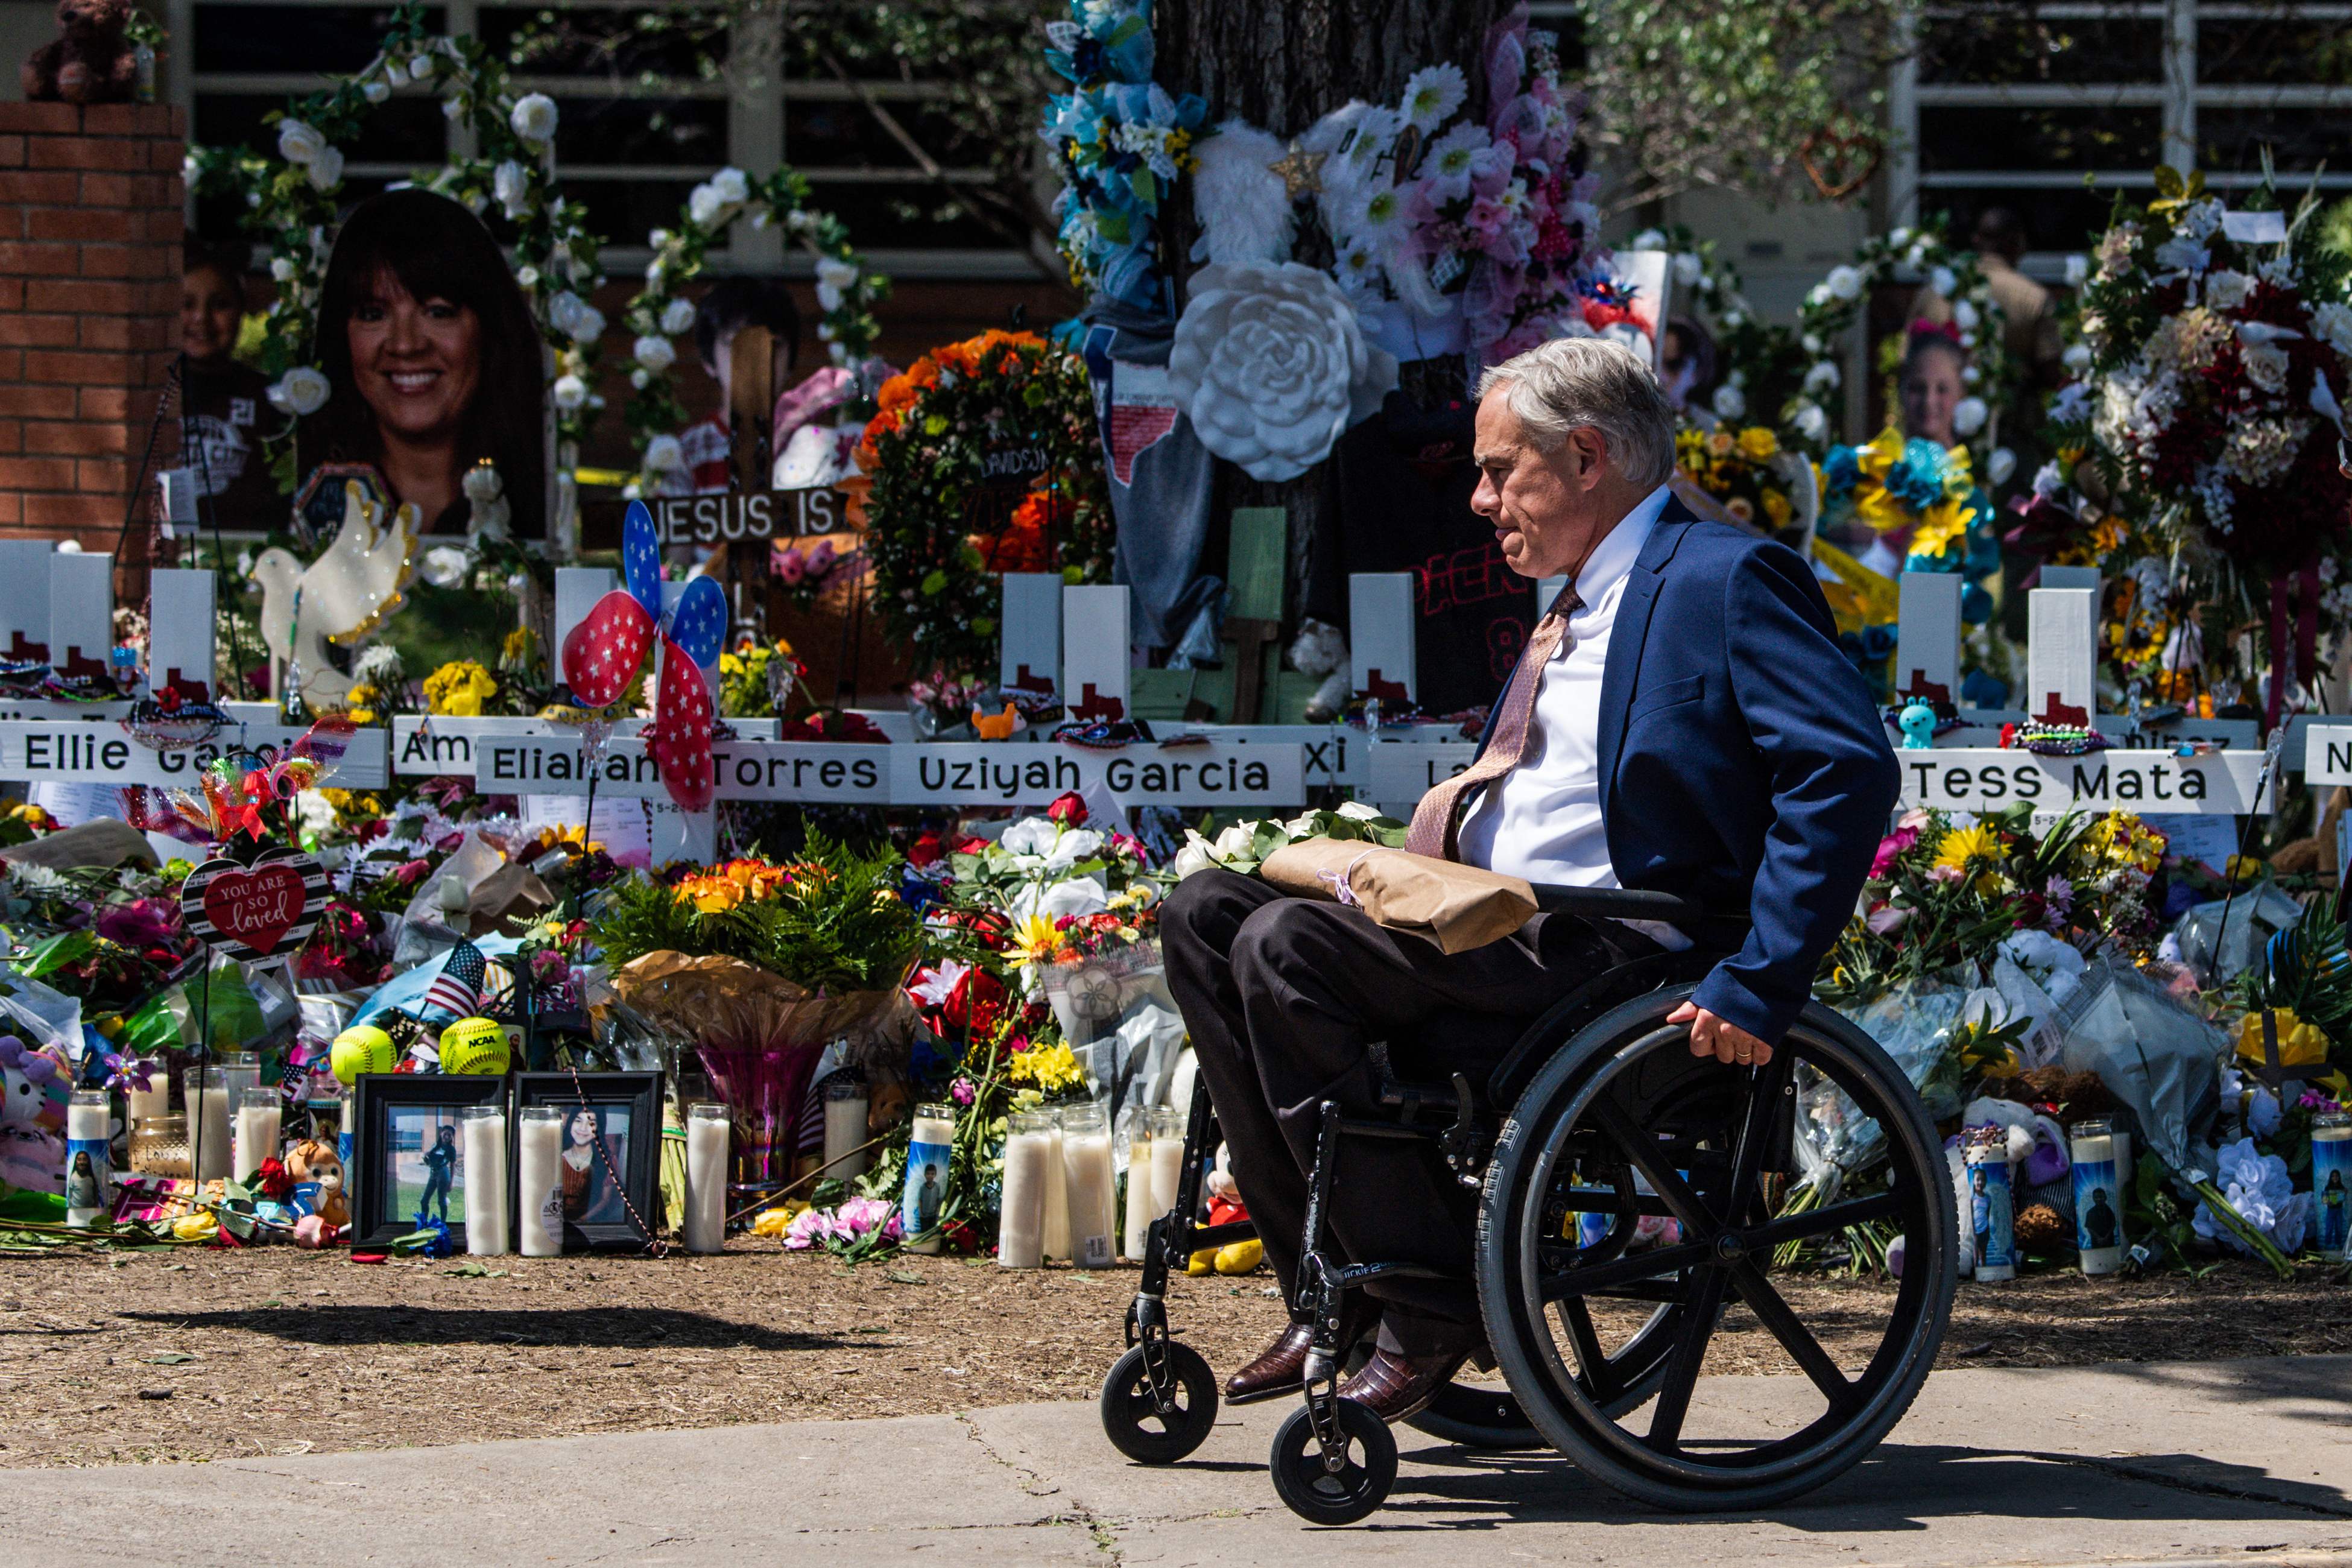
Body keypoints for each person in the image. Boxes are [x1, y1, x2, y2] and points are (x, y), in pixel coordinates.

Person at [1163, 337, 1898, 1424]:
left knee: (1288, 946)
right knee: (1207, 913)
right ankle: (1332, 1292)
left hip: (1617, 959)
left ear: (1589, 456)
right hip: (1501, 934)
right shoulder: (1574, 604)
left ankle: (1425, 1299)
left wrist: (1763, 977)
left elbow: (1845, 767)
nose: (1478, 497)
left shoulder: (1723, 578)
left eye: (1501, 469)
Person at [302, 188, 546, 536]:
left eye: (437, 312)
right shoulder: (301, 502)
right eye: (374, 314)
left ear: (489, 329)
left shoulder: (552, 505)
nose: (406, 345)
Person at [179, 237, 285, 531]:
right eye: (187, 305)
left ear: (242, 310)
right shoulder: (152, 396)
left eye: (220, 305)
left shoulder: (270, 399)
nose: (202, 318)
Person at [1911, 206, 2067, 395]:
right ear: (2016, 243)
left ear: (1976, 239)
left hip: (1940, 412)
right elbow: (2051, 370)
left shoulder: (1933, 292)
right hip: (2011, 414)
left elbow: (1908, 358)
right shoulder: (2035, 298)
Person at [671, 279, 801, 496]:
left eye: (774, 346)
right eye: (735, 344)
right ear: (709, 361)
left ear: (790, 361)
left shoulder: (813, 447)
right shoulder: (686, 454)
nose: (755, 360)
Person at [561, 1105, 625, 1224]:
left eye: (591, 1124)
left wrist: (582, 1220)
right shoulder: (558, 1155)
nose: (583, 1128)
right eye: (578, 1121)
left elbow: (605, 1200)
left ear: (599, 1128)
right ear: (571, 1123)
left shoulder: (608, 1160)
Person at [419, 1122, 457, 1224]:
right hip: (433, 1174)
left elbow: (453, 1166)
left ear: (452, 1137)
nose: (447, 1137)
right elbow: (429, 1162)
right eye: (446, 1134)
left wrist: (451, 1183)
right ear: (441, 1133)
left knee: (441, 1201)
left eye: (450, 1135)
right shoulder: (436, 1145)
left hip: (443, 1175)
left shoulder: (451, 1149)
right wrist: (426, 1156)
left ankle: (443, 1224)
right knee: (424, 1200)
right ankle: (424, 1223)